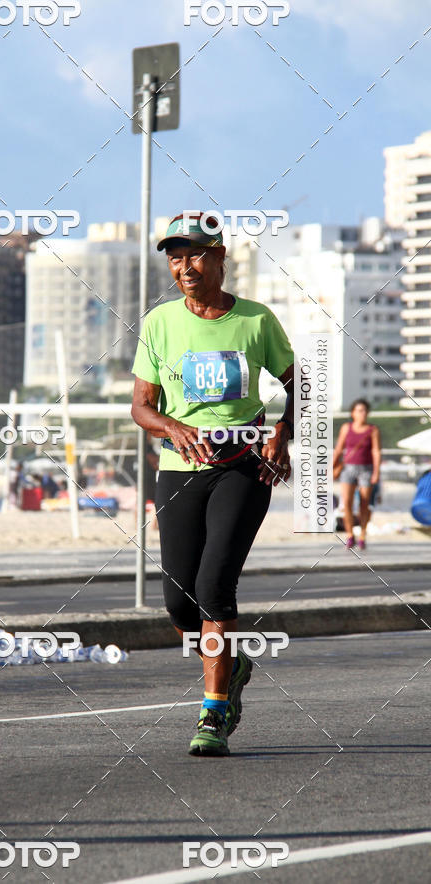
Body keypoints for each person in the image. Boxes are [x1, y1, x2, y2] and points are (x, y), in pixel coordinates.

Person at [131, 212, 294, 757]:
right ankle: (236, 661)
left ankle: (214, 710)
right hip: (179, 469)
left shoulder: (255, 320)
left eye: (196, 254)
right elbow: (141, 407)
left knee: (213, 588)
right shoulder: (159, 324)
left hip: (244, 467)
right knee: (179, 605)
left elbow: (302, 383)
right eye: (175, 257)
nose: (185, 266)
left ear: (222, 257)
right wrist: (174, 427)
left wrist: (281, 436)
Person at [333, 399, 381, 550]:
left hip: (366, 469)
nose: (363, 413)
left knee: (364, 503)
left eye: (365, 410)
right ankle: (349, 535)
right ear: (353, 413)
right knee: (346, 502)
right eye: (359, 410)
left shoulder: (373, 430)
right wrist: (332, 466)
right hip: (348, 468)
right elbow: (339, 449)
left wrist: (376, 472)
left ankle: (362, 535)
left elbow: (376, 452)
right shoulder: (346, 428)